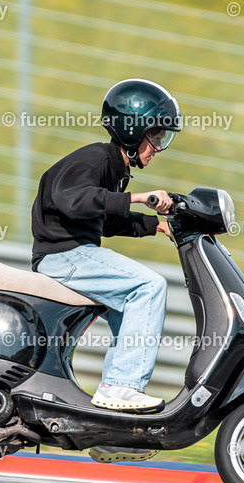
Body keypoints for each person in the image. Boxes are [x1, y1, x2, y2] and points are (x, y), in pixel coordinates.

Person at [31, 79, 180, 461]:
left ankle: (106, 426)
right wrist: (138, 198)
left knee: (130, 300)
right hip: (62, 256)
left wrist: (156, 225)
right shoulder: (94, 159)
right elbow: (74, 201)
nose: (158, 146)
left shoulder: (114, 169)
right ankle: (119, 387)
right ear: (132, 129)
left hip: (74, 253)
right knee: (148, 286)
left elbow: (105, 218)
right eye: (156, 135)